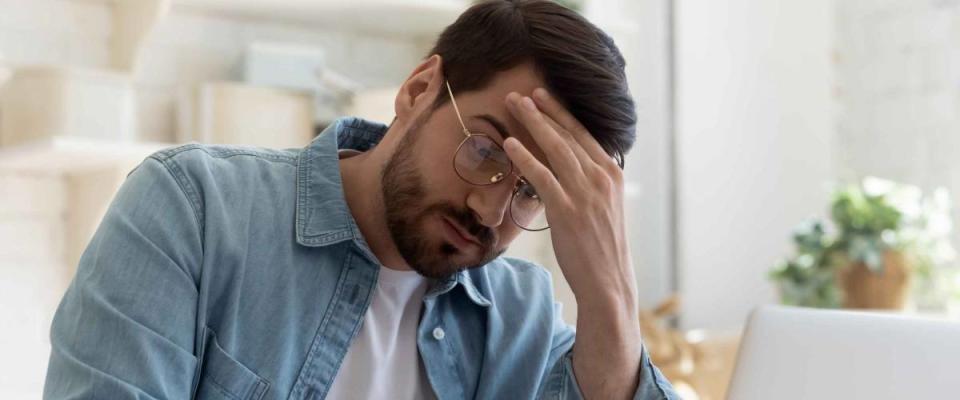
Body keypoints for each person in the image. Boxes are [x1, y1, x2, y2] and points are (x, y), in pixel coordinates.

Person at [43, 1, 678, 399]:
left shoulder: (520, 317)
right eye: (487, 151)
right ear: (420, 88)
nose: (490, 212)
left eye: (530, 190)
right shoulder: (195, 212)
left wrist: (612, 297)